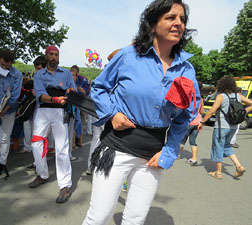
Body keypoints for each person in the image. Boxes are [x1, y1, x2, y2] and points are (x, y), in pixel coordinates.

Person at [82, 1, 200, 224]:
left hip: (152, 157)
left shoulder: (187, 68)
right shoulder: (128, 55)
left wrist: (170, 150)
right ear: (153, 25)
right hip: (116, 149)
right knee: (99, 217)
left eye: (182, 19)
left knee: (135, 219)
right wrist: (112, 114)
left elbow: (185, 116)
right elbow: (99, 87)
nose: (178, 23)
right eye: (171, 17)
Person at [29, 45, 76, 204]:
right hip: (43, 111)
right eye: (51, 54)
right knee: (36, 144)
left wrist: (70, 93)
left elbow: (72, 91)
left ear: (58, 57)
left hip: (59, 112)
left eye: (56, 54)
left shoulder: (67, 73)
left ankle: (65, 185)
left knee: (61, 148)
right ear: (46, 56)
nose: (54, 57)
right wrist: (55, 98)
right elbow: (41, 95)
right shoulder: (38, 75)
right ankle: (42, 174)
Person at [201, 76, 252, 180]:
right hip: (233, 127)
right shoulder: (238, 96)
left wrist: (202, 121)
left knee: (218, 147)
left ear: (222, 85)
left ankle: (218, 173)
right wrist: (244, 112)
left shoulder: (221, 96)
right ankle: (239, 166)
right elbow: (251, 103)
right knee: (226, 146)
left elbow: (211, 111)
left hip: (221, 127)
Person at [179, 81, 204, 165]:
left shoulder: (189, 97)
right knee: (193, 141)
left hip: (188, 122)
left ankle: (178, 154)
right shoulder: (200, 99)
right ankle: (194, 158)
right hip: (197, 122)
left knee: (182, 139)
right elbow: (201, 111)